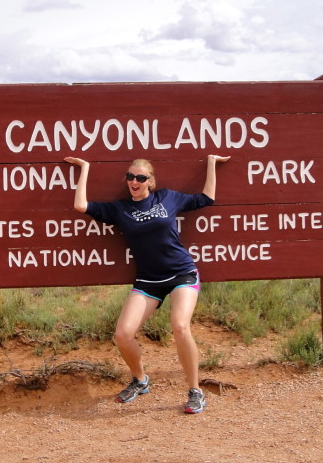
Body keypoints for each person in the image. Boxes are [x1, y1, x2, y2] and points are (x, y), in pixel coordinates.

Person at [64, 154, 229, 413]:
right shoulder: (120, 209)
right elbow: (81, 206)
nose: (135, 181)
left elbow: (206, 198)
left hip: (181, 273)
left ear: (150, 181)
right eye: (130, 177)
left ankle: (195, 391)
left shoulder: (167, 198)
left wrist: (210, 163)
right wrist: (86, 167)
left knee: (180, 326)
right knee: (122, 335)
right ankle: (140, 380)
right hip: (149, 280)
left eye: (141, 177)